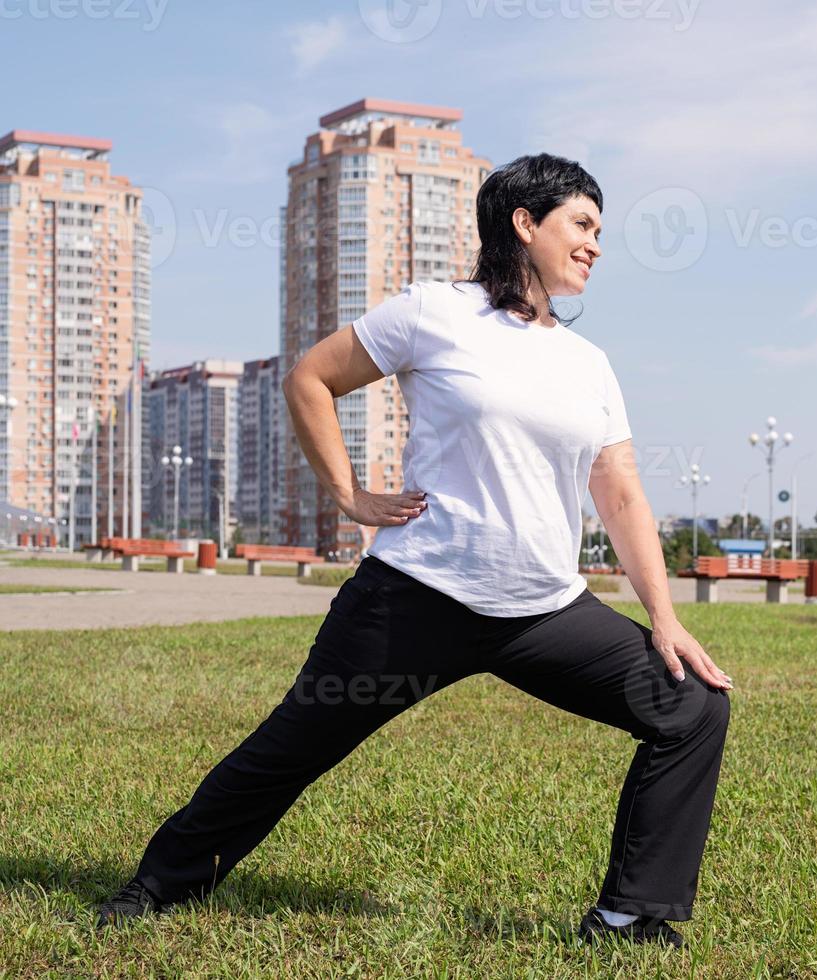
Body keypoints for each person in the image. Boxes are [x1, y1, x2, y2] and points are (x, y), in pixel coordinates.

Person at [96, 154, 733, 949]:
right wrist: (351, 496)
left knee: (691, 706)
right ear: (524, 223)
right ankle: (157, 888)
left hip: (542, 611)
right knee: (292, 747)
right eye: (582, 224)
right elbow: (311, 380)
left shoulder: (587, 364)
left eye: (600, 230)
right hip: (416, 598)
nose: (596, 245)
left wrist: (663, 619)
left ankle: (629, 917)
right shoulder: (436, 312)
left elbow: (623, 493)